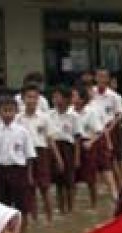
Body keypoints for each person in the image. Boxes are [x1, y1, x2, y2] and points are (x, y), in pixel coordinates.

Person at [0, 95, 37, 232]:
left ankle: (24, 230)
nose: (8, 114)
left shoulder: (22, 132)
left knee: (22, 202)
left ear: (16, 112)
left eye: (11, 110)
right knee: (2, 203)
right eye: (5, 110)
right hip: (0, 170)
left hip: (18, 171)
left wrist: (30, 176)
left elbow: (29, 156)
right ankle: (4, 230)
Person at [16, 84, 54, 223]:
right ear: (23, 99)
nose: (32, 100)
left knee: (45, 188)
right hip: (24, 155)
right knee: (29, 189)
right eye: (29, 97)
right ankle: (34, 219)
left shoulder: (44, 118)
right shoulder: (18, 118)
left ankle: (50, 220)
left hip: (41, 152)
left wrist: (57, 157)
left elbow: (49, 139)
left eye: (35, 97)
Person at [90, 68, 122, 199]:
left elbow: (120, 115)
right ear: (95, 78)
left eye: (104, 77)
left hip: (111, 128)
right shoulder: (91, 93)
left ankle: (120, 188)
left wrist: (110, 128)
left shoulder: (114, 96)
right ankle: (102, 190)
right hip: (95, 130)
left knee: (114, 159)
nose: (102, 80)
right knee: (96, 160)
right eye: (99, 76)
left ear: (108, 79)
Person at [71, 85, 106, 209]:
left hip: (87, 146)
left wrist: (90, 142)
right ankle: (71, 206)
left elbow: (99, 131)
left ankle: (94, 205)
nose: (72, 98)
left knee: (91, 179)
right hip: (73, 146)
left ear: (82, 99)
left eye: (74, 96)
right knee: (72, 179)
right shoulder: (69, 112)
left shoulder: (91, 112)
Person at [48, 85, 80, 215]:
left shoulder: (73, 116)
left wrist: (77, 157)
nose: (55, 100)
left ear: (66, 99)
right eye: (53, 97)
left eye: (58, 97)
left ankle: (71, 208)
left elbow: (77, 138)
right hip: (54, 148)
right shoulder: (49, 114)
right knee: (58, 182)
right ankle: (61, 209)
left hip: (68, 148)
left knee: (70, 181)